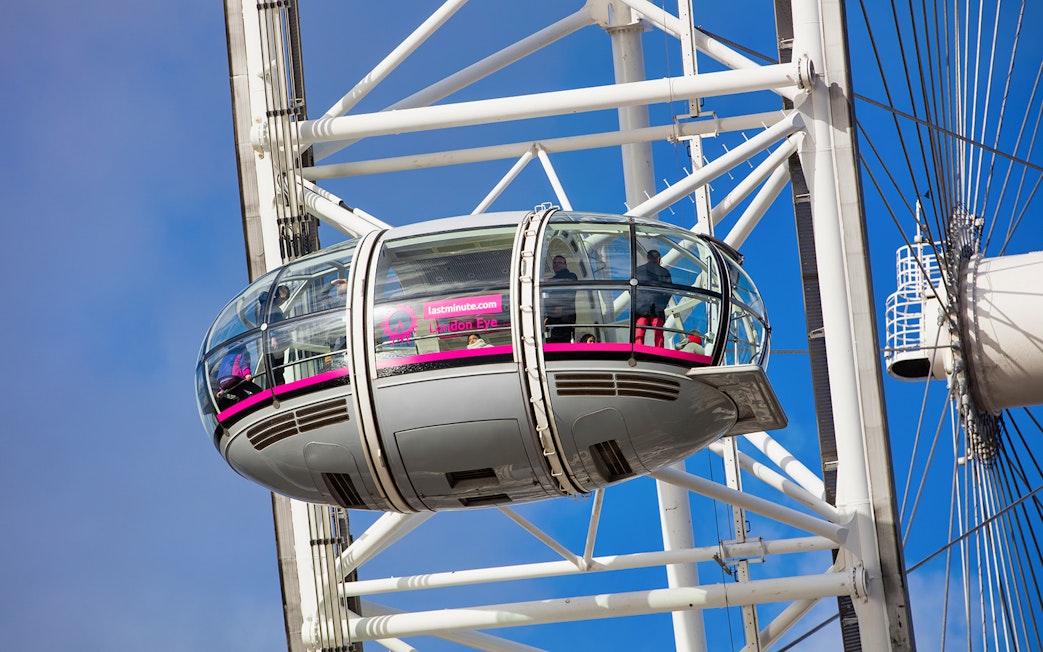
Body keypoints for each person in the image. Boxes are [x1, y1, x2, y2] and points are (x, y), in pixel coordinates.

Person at [634, 249, 672, 347]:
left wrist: (638, 300)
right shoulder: (665, 272)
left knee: (639, 331)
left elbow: (632, 290)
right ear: (659, 259)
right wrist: (662, 304)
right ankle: (659, 351)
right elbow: (669, 291)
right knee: (658, 332)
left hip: (642, 306)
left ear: (647, 259)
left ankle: (638, 349)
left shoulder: (638, 270)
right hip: (658, 306)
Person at [215, 343, 264, 411]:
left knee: (241, 395)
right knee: (256, 389)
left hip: (223, 383)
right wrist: (247, 374)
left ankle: (244, 407)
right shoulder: (241, 352)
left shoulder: (226, 356)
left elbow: (222, 371)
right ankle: (263, 401)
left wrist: (221, 390)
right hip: (234, 378)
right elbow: (244, 363)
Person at [260, 285, 290, 386]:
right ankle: (273, 392)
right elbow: (267, 321)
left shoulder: (275, 306)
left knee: (278, 371)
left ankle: (281, 390)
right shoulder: (269, 304)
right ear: (276, 295)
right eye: (282, 298)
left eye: (285, 299)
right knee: (273, 371)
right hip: (272, 342)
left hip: (278, 342)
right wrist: (273, 337)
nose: (283, 301)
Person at [544, 255, 578, 343]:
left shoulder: (570, 276)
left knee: (562, 340)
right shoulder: (551, 281)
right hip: (554, 316)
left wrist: (558, 306)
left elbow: (567, 293)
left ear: (565, 265)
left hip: (565, 316)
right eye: (554, 263)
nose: (557, 264)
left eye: (560, 262)